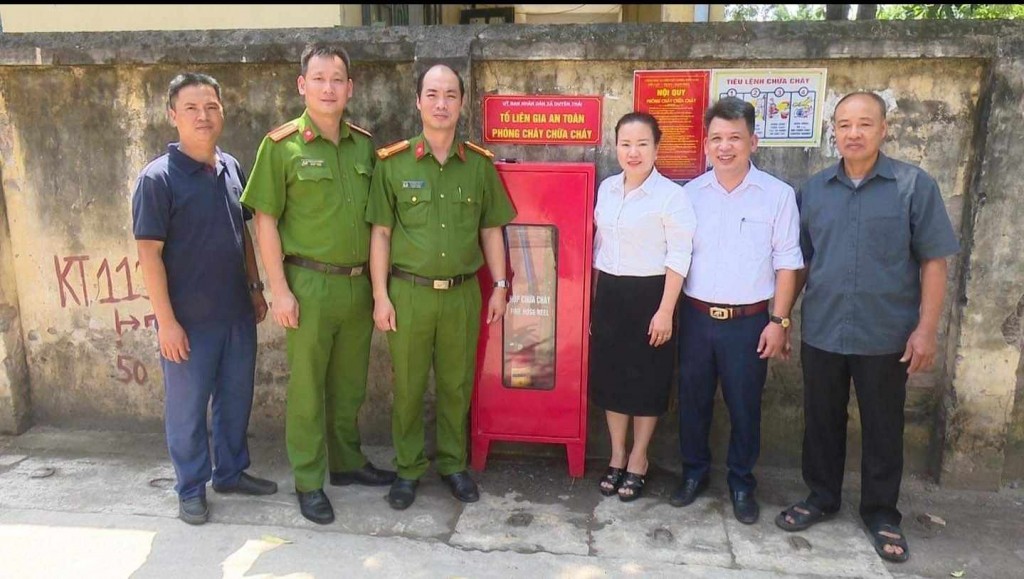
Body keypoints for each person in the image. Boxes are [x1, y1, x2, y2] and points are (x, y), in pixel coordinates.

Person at [776, 91, 959, 563]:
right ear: (832, 132)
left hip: (886, 333)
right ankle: (821, 496)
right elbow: (799, 262)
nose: (853, 133)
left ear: (883, 129)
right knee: (820, 419)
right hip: (824, 329)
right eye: (844, 125)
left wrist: (926, 329)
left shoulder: (912, 185)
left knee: (882, 425)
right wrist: (783, 319)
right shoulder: (813, 190)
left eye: (864, 124)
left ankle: (881, 513)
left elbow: (934, 261)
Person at [240, 43, 395, 526]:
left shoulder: (364, 146)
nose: (329, 88)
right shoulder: (281, 145)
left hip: (355, 286)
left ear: (350, 88)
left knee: (349, 386)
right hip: (307, 284)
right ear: (302, 85)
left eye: (338, 79)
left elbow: (376, 225)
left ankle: (346, 463)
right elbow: (264, 221)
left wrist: (376, 289)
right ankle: (309, 480)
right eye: (319, 78)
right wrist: (278, 289)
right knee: (307, 389)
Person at [366, 63, 516, 510]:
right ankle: (408, 469)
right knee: (409, 386)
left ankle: (453, 464)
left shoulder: (478, 165)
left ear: (462, 102)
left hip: (463, 294)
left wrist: (502, 285)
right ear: (418, 101)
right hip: (408, 294)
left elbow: (492, 230)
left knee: (456, 385)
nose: (441, 103)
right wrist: (379, 295)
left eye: (450, 95)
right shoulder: (392, 165)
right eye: (432, 94)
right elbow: (380, 234)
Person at [132, 72, 278, 526]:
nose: (203, 115)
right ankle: (191, 488)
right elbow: (148, 255)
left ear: (222, 112)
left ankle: (231, 472)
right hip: (188, 323)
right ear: (172, 115)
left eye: (211, 106)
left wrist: (255, 289)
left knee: (235, 399)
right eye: (192, 108)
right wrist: (167, 323)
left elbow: (247, 236)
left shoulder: (232, 167)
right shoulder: (158, 179)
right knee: (188, 409)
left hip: (236, 313)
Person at [669, 97, 804, 524]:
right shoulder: (688, 195)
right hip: (694, 317)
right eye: (716, 138)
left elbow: (788, 262)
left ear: (753, 141)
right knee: (692, 401)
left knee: (745, 406)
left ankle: (742, 483)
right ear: (705, 143)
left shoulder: (778, 196)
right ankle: (693, 474)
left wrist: (779, 322)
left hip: (749, 324)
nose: (725, 147)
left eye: (735, 138)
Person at [590, 112, 696, 502]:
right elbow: (599, 248)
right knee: (613, 379)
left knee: (647, 381)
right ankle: (616, 453)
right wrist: (593, 303)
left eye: (642, 144)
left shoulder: (672, 196)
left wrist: (666, 309)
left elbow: (680, 255)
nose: (633, 152)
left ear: (657, 148)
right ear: (615, 146)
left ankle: (639, 458)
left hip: (652, 296)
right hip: (611, 295)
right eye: (625, 144)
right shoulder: (607, 189)